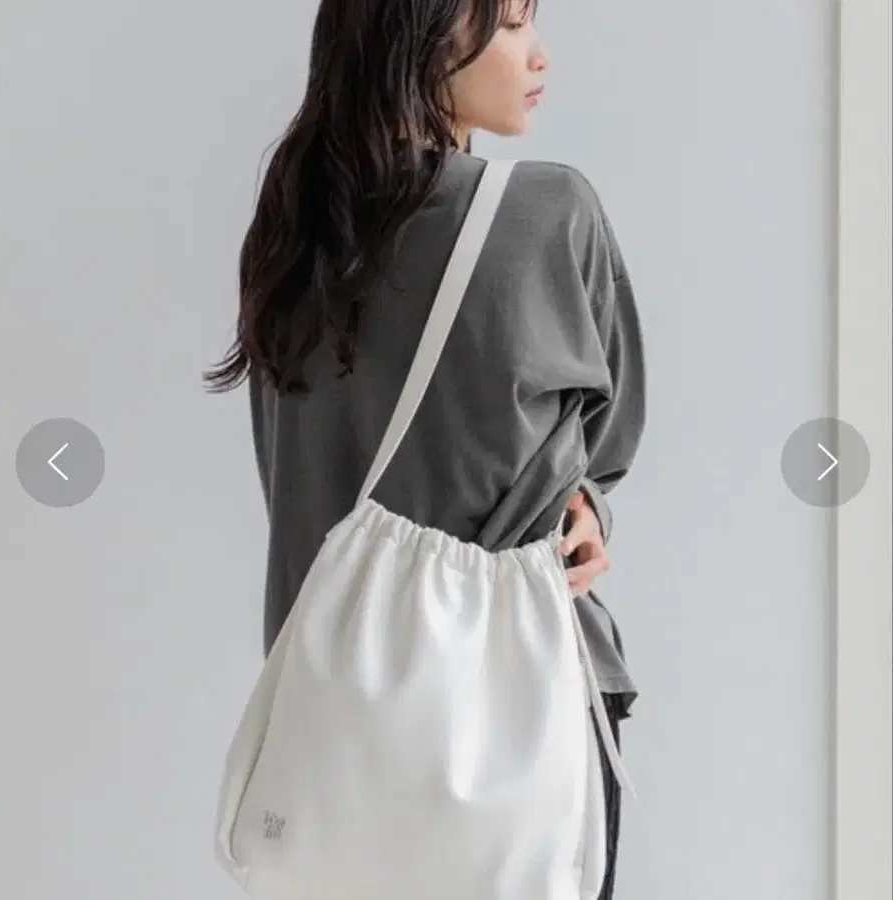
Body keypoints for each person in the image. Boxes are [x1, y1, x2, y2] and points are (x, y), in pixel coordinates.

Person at [206, 1, 646, 896]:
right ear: (426, 34)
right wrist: (587, 505)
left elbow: (294, 467)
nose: (539, 54)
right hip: (521, 706)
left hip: (333, 720)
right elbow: (609, 429)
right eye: (512, 24)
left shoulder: (293, 236)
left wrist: (578, 497)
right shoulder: (548, 212)